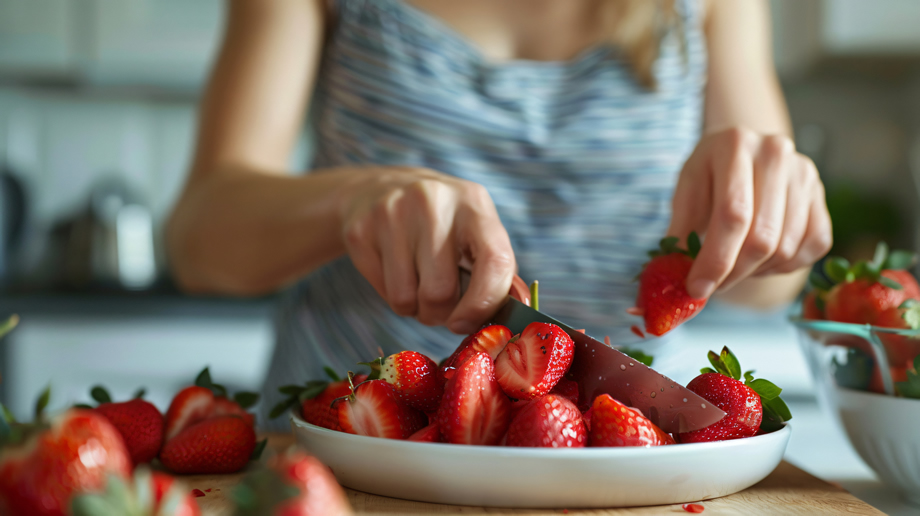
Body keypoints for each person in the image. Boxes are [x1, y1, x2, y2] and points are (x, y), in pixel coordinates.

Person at [166, 0, 832, 427]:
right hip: (349, 450)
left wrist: (776, 216)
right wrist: (351, 199)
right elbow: (199, 240)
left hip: (622, 464)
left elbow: (769, 287)